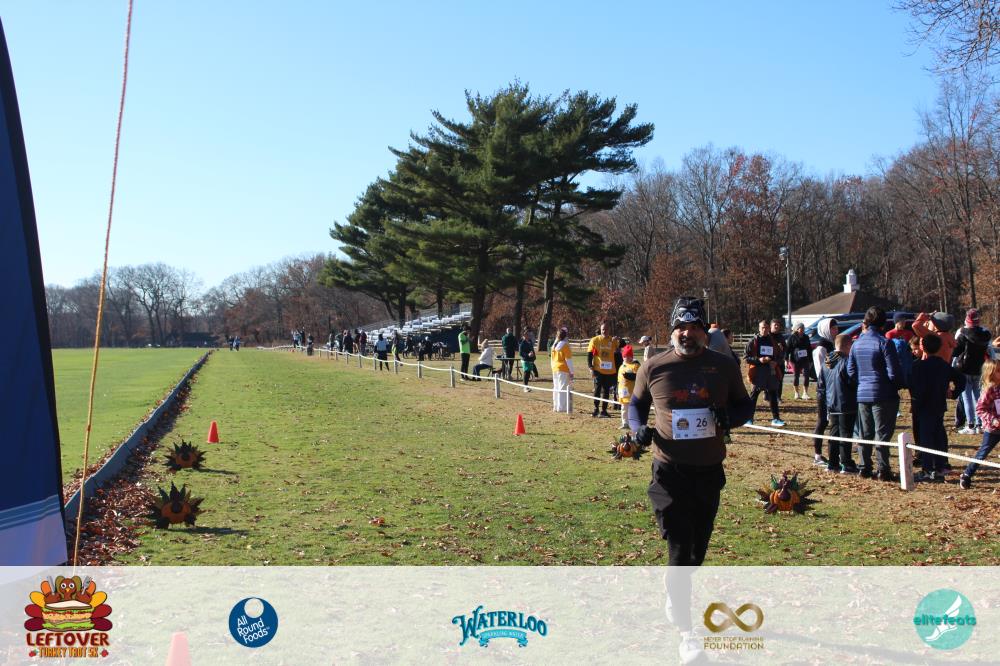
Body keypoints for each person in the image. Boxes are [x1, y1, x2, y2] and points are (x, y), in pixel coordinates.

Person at [628, 297, 752, 664]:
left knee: (696, 552)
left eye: (694, 327)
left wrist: (729, 418)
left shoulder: (723, 365)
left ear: (704, 331)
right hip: (669, 472)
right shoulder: (654, 366)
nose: (687, 333)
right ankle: (687, 634)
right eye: (681, 327)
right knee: (680, 550)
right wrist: (637, 430)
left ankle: (674, 587)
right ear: (672, 331)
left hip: (709, 471)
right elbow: (636, 405)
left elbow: (744, 406)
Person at [846, 307, 902, 481]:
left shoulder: (856, 343)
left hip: (863, 393)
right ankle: (883, 469)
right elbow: (894, 372)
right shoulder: (885, 343)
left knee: (865, 432)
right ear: (884, 323)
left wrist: (862, 382)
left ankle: (864, 467)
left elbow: (851, 371)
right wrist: (898, 385)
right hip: (883, 393)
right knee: (882, 433)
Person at [911, 334, 965, 482]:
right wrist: (953, 393)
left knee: (925, 438)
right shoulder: (943, 365)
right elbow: (961, 378)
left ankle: (928, 469)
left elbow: (911, 384)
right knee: (938, 436)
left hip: (923, 406)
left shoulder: (917, 366)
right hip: (939, 405)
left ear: (923, 347)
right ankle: (940, 466)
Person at [820, 333, 859, 474]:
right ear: (848, 346)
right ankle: (846, 463)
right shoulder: (846, 361)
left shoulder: (827, 362)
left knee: (834, 432)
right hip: (846, 401)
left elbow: (821, 384)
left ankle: (833, 463)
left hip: (831, 402)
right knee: (845, 434)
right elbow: (852, 380)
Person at [959, 358, 1000, 489]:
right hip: (993, 429)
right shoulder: (989, 390)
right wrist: (993, 420)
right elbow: (980, 409)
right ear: (991, 374)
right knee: (983, 453)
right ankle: (967, 474)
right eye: (999, 371)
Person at [953, 308, 992, 434]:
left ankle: (970, 425)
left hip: (965, 368)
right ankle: (980, 424)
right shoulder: (985, 334)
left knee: (966, 398)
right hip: (980, 368)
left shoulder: (962, 333)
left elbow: (955, 352)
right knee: (978, 397)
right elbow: (989, 349)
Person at [744, 320, 785, 427]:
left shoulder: (773, 342)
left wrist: (776, 362)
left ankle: (776, 419)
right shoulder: (753, 341)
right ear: (759, 328)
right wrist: (759, 360)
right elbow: (746, 358)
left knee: (773, 395)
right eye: (763, 327)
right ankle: (749, 419)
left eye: (766, 327)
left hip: (771, 372)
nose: (765, 329)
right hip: (758, 372)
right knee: (754, 395)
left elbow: (781, 357)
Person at [811, 318, 838, 466]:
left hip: (835, 388)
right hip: (824, 389)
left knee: (834, 421)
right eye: (833, 328)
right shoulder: (821, 349)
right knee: (822, 421)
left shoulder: (833, 345)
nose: (836, 331)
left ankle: (835, 453)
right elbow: (821, 371)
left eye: (836, 328)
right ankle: (817, 455)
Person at [588, 322, 619, 418]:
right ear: (600, 330)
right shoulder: (595, 340)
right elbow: (589, 354)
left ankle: (604, 411)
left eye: (606, 329)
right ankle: (596, 409)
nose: (604, 331)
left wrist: (617, 340)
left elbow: (620, 347)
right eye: (603, 329)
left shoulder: (612, 340)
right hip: (598, 369)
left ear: (609, 330)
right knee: (597, 389)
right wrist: (590, 367)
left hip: (609, 371)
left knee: (606, 391)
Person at [550, 327, 574, 412]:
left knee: (556, 387)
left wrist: (553, 367)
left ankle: (555, 406)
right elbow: (568, 360)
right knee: (562, 388)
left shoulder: (554, 345)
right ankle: (561, 408)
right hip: (563, 369)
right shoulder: (565, 346)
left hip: (555, 368)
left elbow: (551, 359)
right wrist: (572, 371)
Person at [787, 322, 813, 400]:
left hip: (805, 359)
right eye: (800, 328)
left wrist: (810, 360)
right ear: (797, 329)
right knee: (796, 376)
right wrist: (786, 359)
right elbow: (788, 349)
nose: (802, 329)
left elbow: (809, 348)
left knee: (806, 375)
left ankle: (805, 393)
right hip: (795, 360)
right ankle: (796, 393)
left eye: (803, 328)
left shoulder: (806, 337)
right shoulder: (792, 337)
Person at [617, 345, 640, 429]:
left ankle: (634, 423)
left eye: (628, 356)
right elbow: (619, 380)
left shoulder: (635, 365)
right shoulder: (621, 366)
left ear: (631, 356)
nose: (626, 358)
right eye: (625, 356)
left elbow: (637, 376)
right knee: (624, 408)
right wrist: (616, 391)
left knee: (633, 409)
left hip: (633, 392)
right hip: (623, 392)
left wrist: (629, 376)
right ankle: (625, 423)